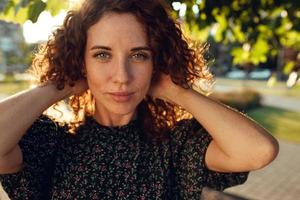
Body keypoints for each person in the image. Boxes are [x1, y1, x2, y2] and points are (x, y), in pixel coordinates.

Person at [0, 0, 279, 199]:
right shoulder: (49, 142)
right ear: (80, 61)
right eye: (102, 54)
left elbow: (259, 151)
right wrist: (60, 85)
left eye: (139, 55)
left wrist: (175, 90)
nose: (122, 76)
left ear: (157, 62)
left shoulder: (175, 146)